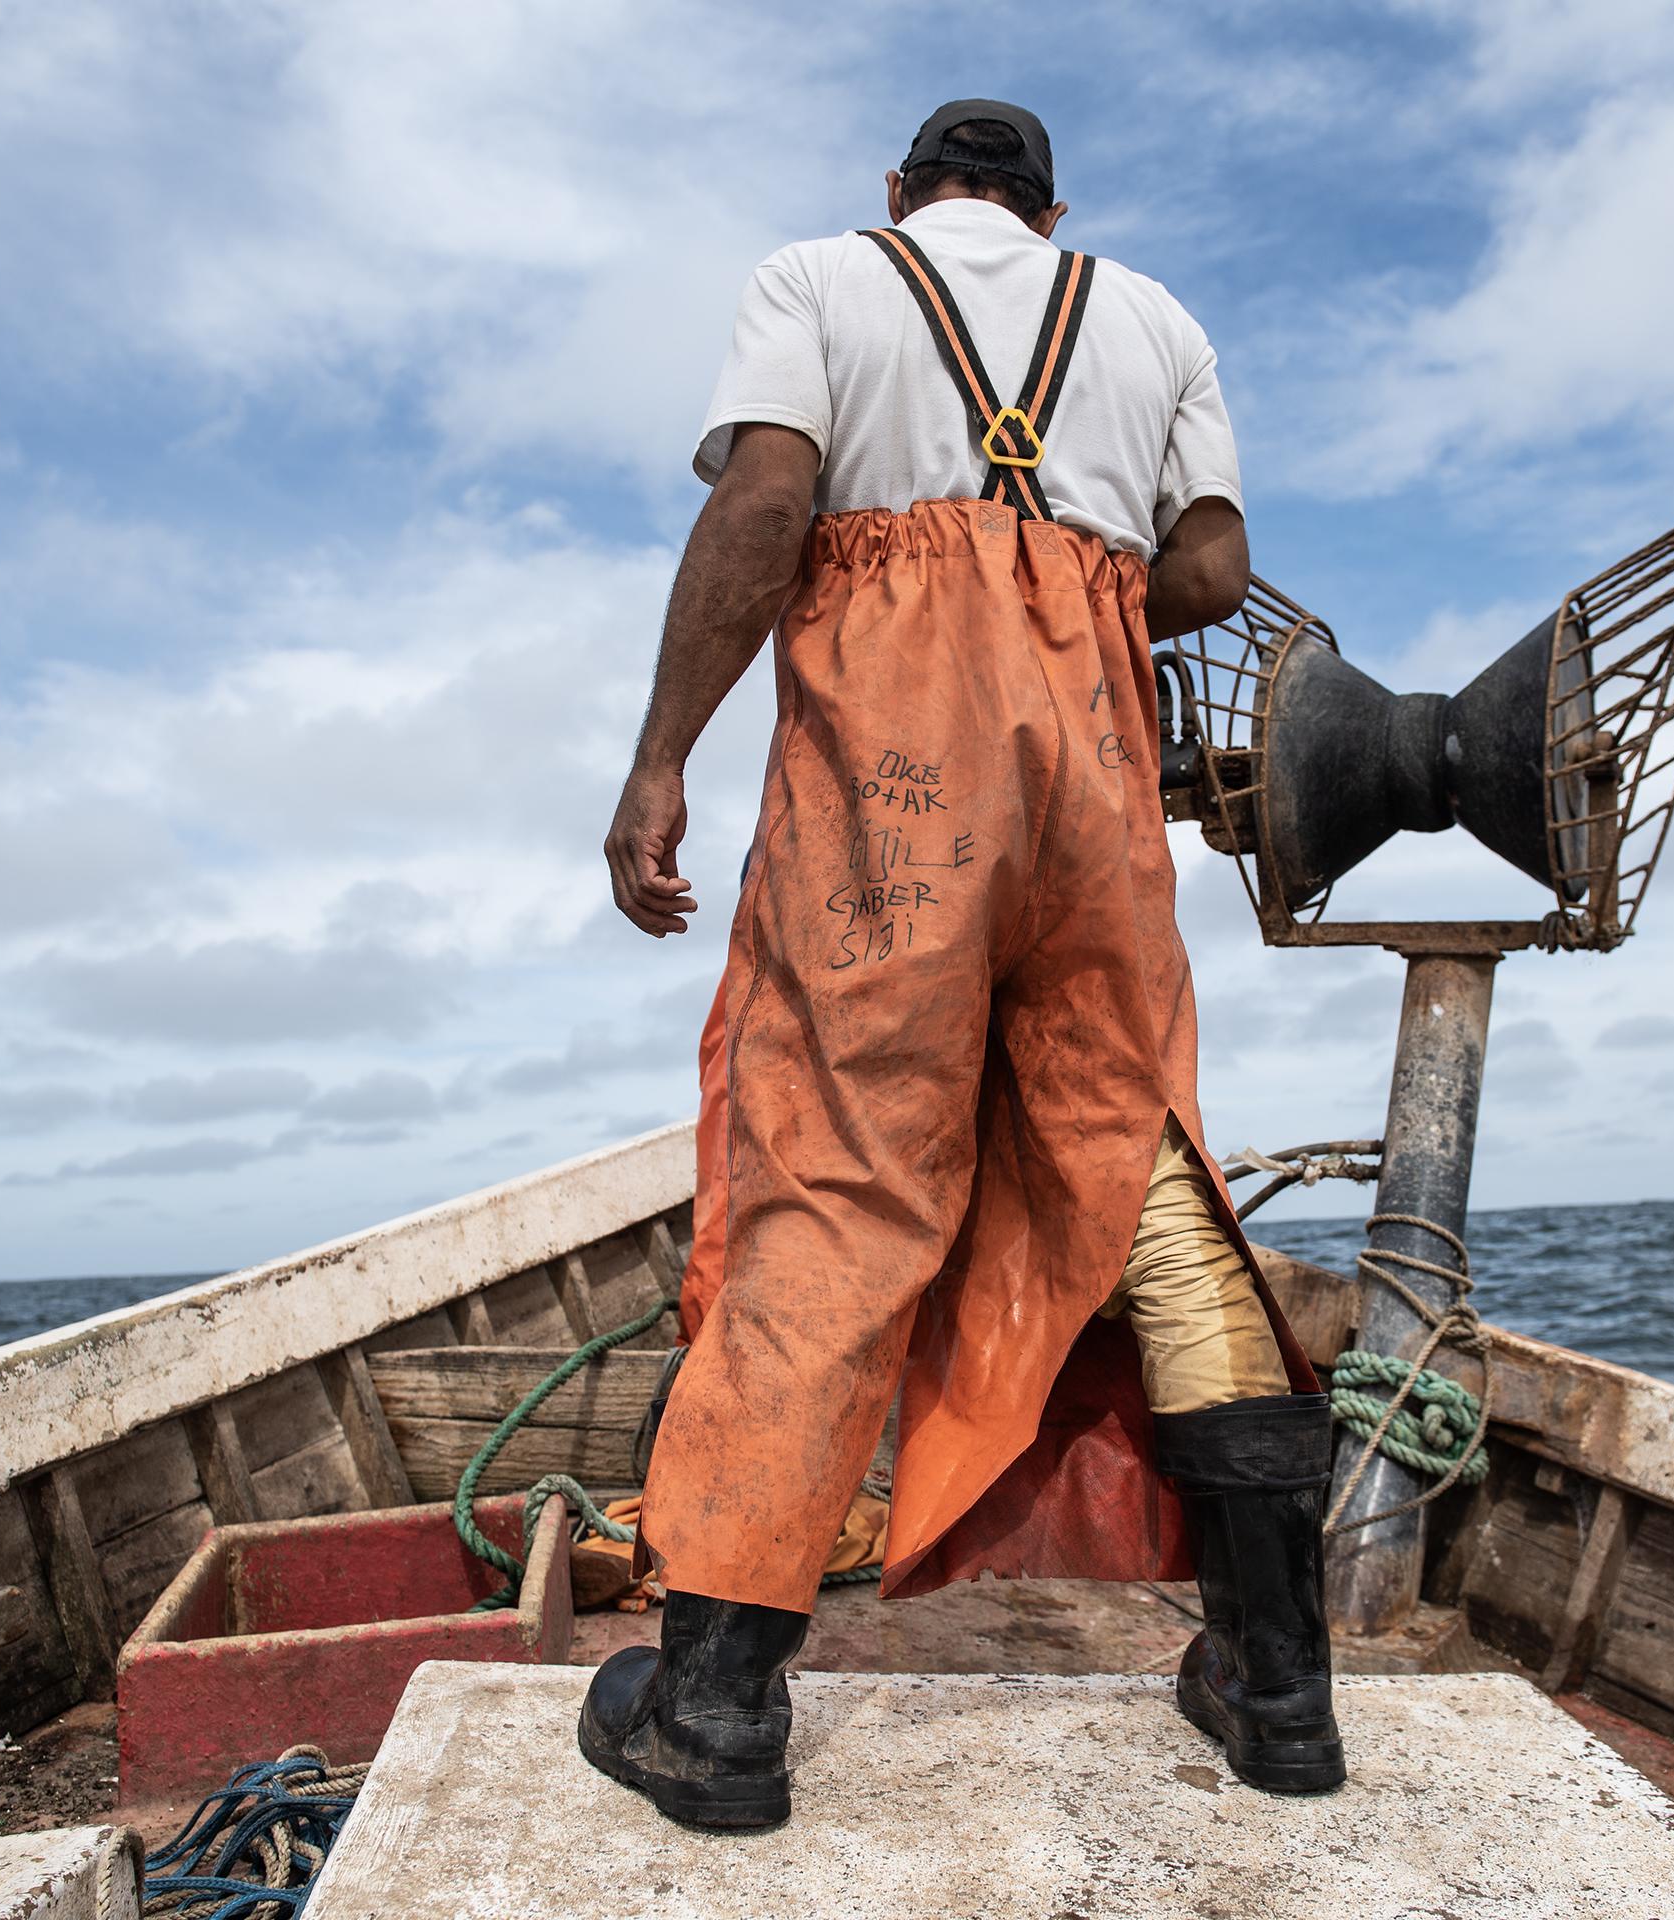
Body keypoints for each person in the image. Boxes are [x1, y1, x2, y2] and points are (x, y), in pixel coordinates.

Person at [583, 99, 1345, 1831]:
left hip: (894, 767)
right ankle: (1278, 1684)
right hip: (1089, 749)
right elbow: (1212, 565)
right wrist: (1059, 599)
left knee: (839, 1182)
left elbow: (770, 498)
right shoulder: (1151, 318)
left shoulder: (818, 278)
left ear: (902, 195)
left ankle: (712, 1712)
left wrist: (658, 759)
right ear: (1050, 206)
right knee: (1143, 1158)